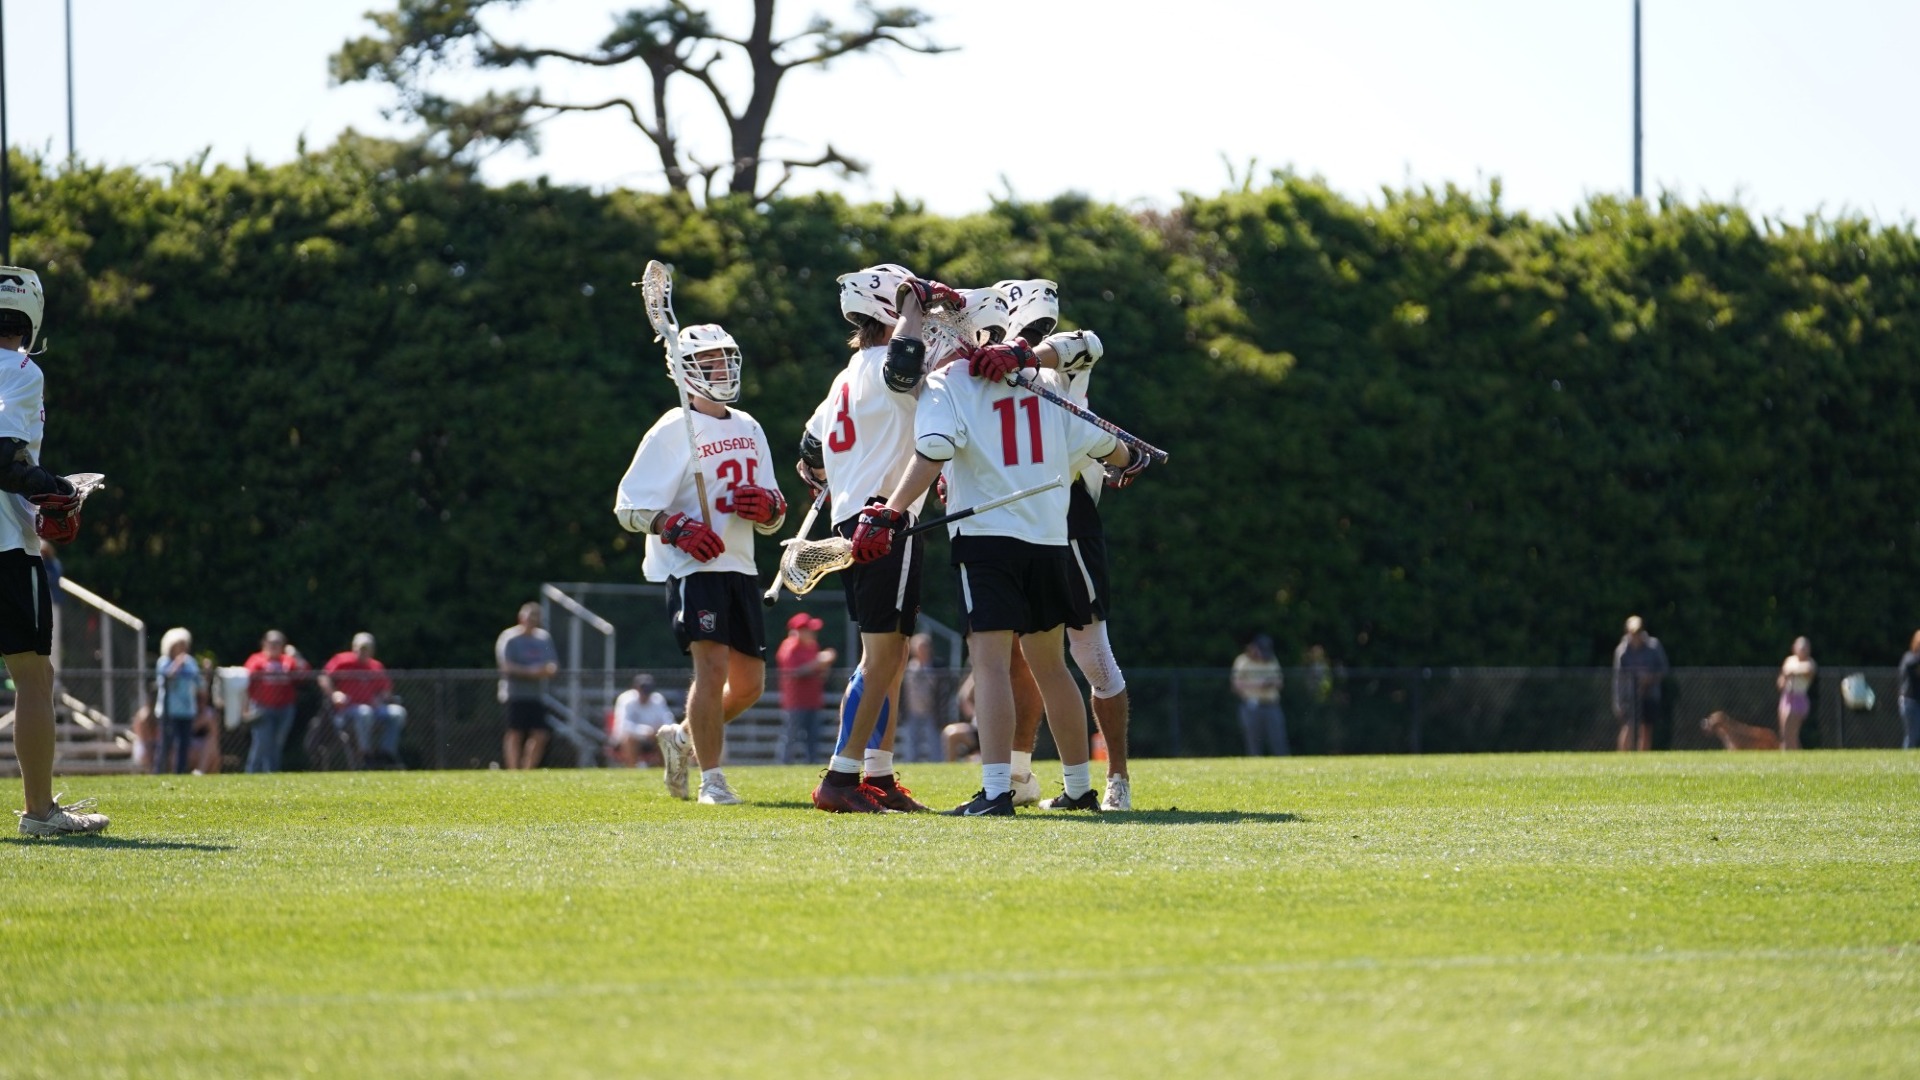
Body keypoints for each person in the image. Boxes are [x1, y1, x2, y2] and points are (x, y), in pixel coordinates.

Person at [859, 305, 1147, 816]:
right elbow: (1114, 450)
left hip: (988, 540)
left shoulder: (947, 382)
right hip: (1049, 540)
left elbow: (932, 452)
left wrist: (890, 511)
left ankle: (996, 792)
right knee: (1052, 666)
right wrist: (1131, 460)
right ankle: (1078, 788)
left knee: (989, 663)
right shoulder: (1045, 383)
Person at [800, 265, 961, 813]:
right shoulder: (891, 362)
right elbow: (903, 369)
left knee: (887, 656)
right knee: (882, 655)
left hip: (855, 518)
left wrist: (835, 478)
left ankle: (879, 775)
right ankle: (841, 778)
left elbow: (808, 453)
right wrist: (913, 315)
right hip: (882, 520)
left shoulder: (845, 374)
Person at [614, 322, 783, 805]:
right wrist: (676, 527)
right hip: (693, 567)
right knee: (711, 670)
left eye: (725, 358)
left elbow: (774, 509)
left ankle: (682, 736)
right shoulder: (673, 428)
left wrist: (767, 509)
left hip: (740, 564)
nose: (720, 368)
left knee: (749, 686)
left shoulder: (749, 425)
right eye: (707, 361)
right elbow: (630, 506)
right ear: (683, 370)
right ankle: (712, 779)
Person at [992, 279, 1137, 809]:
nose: (1036, 335)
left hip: (1067, 507)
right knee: (1019, 654)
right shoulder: (991, 366)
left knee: (1089, 653)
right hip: (1011, 507)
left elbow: (1085, 343)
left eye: (1040, 328)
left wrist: (1022, 349)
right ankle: (1019, 775)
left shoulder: (1056, 358)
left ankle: (1115, 778)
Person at [0, 267, 107, 833]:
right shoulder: (21, 369)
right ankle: (39, 812)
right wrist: (58, 491)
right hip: (5, 547)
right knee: (33, 679)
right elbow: (4, 458)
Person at [320, 632, 406, 767]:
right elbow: (324, 677)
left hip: (373, 708)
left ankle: (386, 752)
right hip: (347, 710)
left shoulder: (376, 667)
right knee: (364, 712)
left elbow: (386, 689)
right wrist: (334, 694)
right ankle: (365, 754)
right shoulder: (342, 661)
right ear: (354, 647)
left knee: (398, 713)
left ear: (373, 650)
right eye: (361, 648)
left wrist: (381, 697)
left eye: (368, 648)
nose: (364, 652)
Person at [496, 602, 560, 769]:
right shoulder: (509, 638)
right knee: (515, 733)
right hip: (514, 694)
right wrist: (532, 671)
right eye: (529, 616)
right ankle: (513, 771)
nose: (532, 620)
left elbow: (552, 667)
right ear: (521, 617)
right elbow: (506, 666)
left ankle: (528, 770)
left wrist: (537, 671)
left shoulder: (543, 638)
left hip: (536, 695)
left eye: (536, 617)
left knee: (541, 734)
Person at [243, 629, 310, 773]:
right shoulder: (256, 659)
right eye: (271, 643)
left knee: (277, 743)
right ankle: (251, 772)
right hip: (261, 708)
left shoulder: (288, 660)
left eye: (278, 643)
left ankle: (272, 774)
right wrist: (245, 708)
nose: (274, 646)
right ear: (264, 644)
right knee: (262, 742)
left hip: (285, 708)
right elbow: (247, 680)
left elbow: (304, 675)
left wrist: (297, 656)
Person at [775, 613, 837, 764]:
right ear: (800, 631)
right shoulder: (790, 648)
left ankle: (812, 766)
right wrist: (819, 661)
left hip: (813, 700)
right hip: (795, 703)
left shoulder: (812, 646)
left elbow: (820, 673)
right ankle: (784, 766)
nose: (813, 633)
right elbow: (796, 672)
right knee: (790, 737)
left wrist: (825, 664)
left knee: (813, 739)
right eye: (810, 630)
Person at [1612, 615, 1668, 752]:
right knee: (1628, 726)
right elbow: (1618, 679)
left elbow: (1664, 669)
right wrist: (1618, 701)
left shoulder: (1653, 646)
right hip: (1630, 696)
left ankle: (1642, 758)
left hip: (1649, 694)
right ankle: (1622, 759)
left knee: (1646, 728)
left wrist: (1650, 678)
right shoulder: (1622, 651)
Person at [153, 627, 204, 775]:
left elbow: (199, 684)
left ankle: (180, 773)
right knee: (165, 744)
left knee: (184, 745)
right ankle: (159, 772)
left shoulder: (191, 662)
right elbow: (165, 680)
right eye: (179, 645)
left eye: (184, 645)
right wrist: (176, 665)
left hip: (187, 710)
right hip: (169, 711)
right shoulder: (163, 662)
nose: (183, 649)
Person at [1231, 634, 1288, 756]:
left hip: (1271, 705)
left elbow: (1280, 682)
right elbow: (1236, 685)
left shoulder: (1272, 660)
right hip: (1251, 706)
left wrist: (1270, 683)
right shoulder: (1242, 661)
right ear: (1252, 647)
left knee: (1278, 740)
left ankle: (1284, 766)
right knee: (1253, 741)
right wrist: (1257, 685)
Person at [608, 673, 673, 767]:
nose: (645, 695)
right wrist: (645, 731)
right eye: (643, 691)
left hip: (653, 738)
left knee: (664, 739)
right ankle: (632, 770)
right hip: (626, 740)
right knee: (630, 739)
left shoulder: (658, 699)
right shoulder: (626, 700)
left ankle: (663, 770)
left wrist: (658, 731)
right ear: (636, 689)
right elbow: (623, 726)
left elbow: (668, 721)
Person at [900, 632, 945, 763]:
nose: (922, 651)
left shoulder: (937, 666)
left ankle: (938, 766)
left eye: (924, 647)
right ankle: (910, 765)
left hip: (932, 710)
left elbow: (943, 690)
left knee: (934, 742)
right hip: (912, 710)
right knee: (910, 743)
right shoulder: (908, 667)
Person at [1776, 636, 1816, 751]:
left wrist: (1792, 672)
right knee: (1785, 731)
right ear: (1794, 648)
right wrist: (1782, 682)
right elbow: (1782, 677)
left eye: (1806, 648)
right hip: (1786, 697)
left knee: (1791, 731)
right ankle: (1790, 754)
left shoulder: (1809, 663)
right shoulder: (1790, 660)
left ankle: (1789, 753)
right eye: (1802, 648)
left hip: (1799, 699)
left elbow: (1809, 671)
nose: (1804, 650)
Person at [1899, 631, 1920, 750]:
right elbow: (1911, 664)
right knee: (1912, 736)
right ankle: (1906, 761)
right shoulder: (1909, 657)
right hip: (1910, 702)